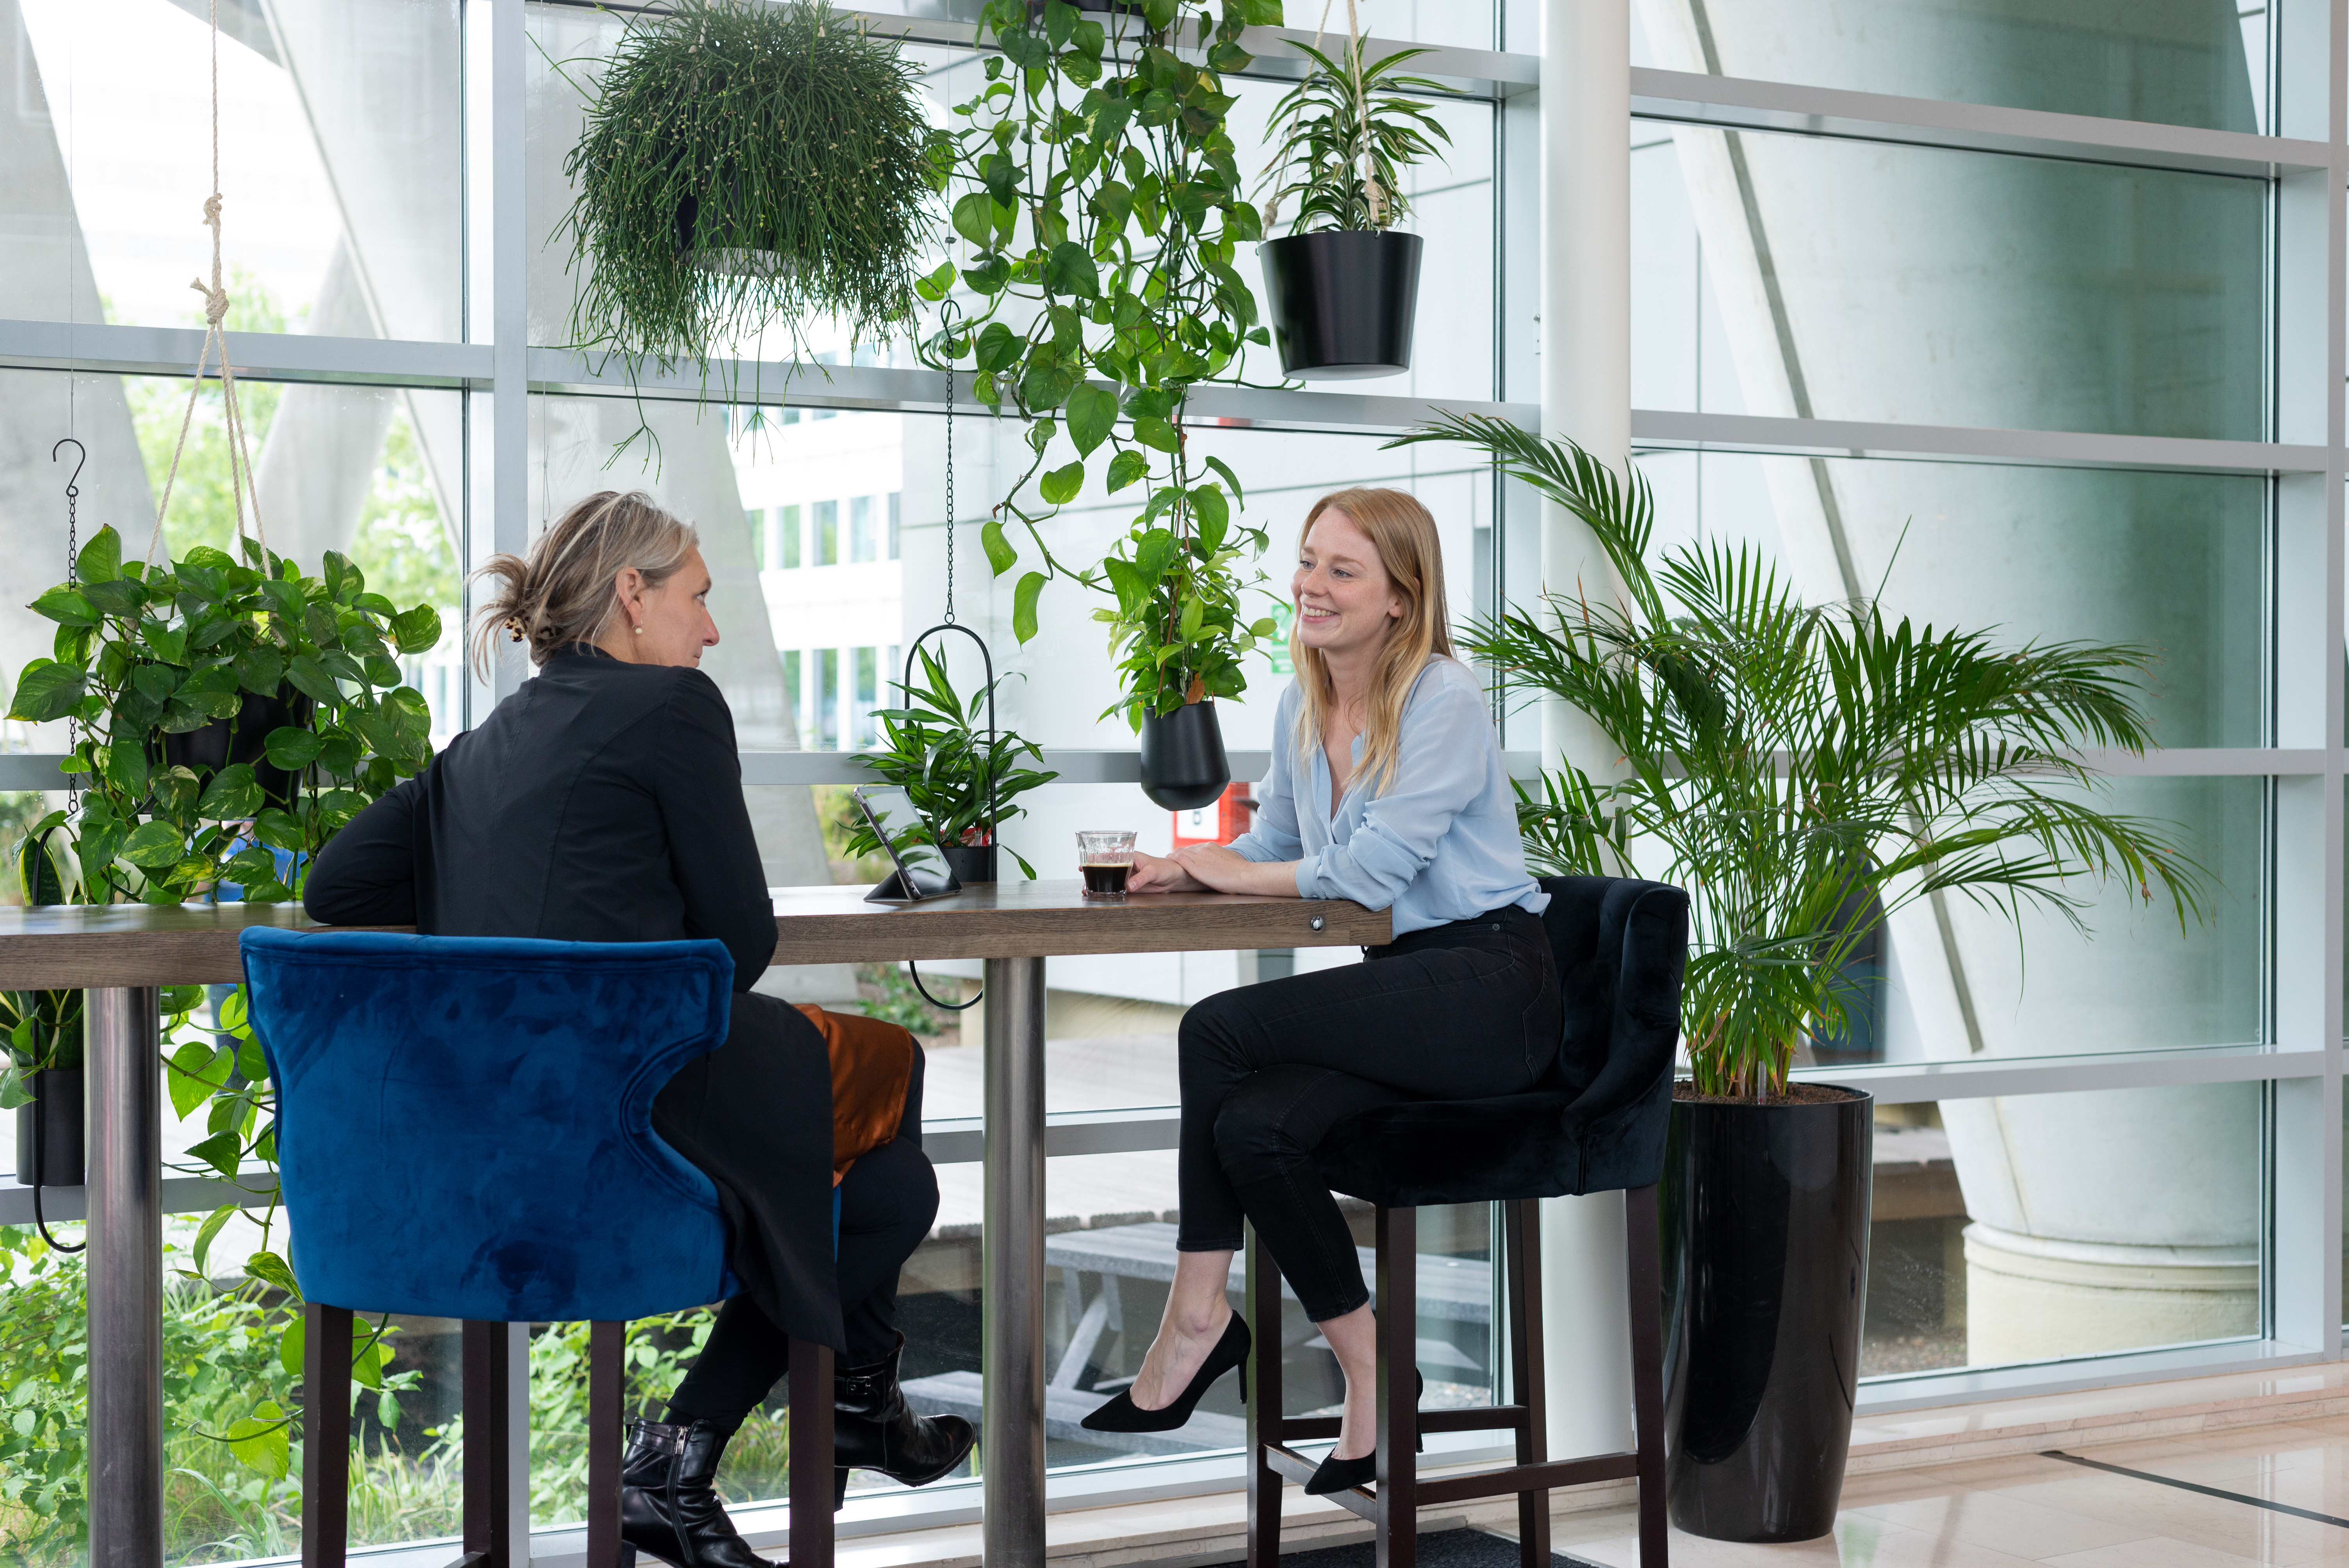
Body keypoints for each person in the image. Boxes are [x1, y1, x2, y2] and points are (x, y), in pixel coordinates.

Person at [303, 491, 974, 1568]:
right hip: (635, 1105)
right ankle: (788, 1418)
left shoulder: (485, 742)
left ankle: (759, 1432)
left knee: (888, 1183)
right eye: (699, 599)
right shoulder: (675, 708)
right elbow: (741, 943)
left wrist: (491, 869)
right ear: (633, 593)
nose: (710, 630)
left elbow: (336, 889)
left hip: (489, 1145)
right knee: (893, 1098)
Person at [1080, 488, 1560, 1496]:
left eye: (1343, 570)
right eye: (1309, 562)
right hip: (1409, 993)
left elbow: (1373, 873)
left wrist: (1228, 873)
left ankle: (1199, 1317)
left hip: (1491, 989)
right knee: (1252, 1125)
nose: (1312, 585)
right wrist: (1191, 860)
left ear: (1401, 597)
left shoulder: (1442, 700)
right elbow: (1286, 847)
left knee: (1215, 1031)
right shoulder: (1303, 703)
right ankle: (1376, 1368)